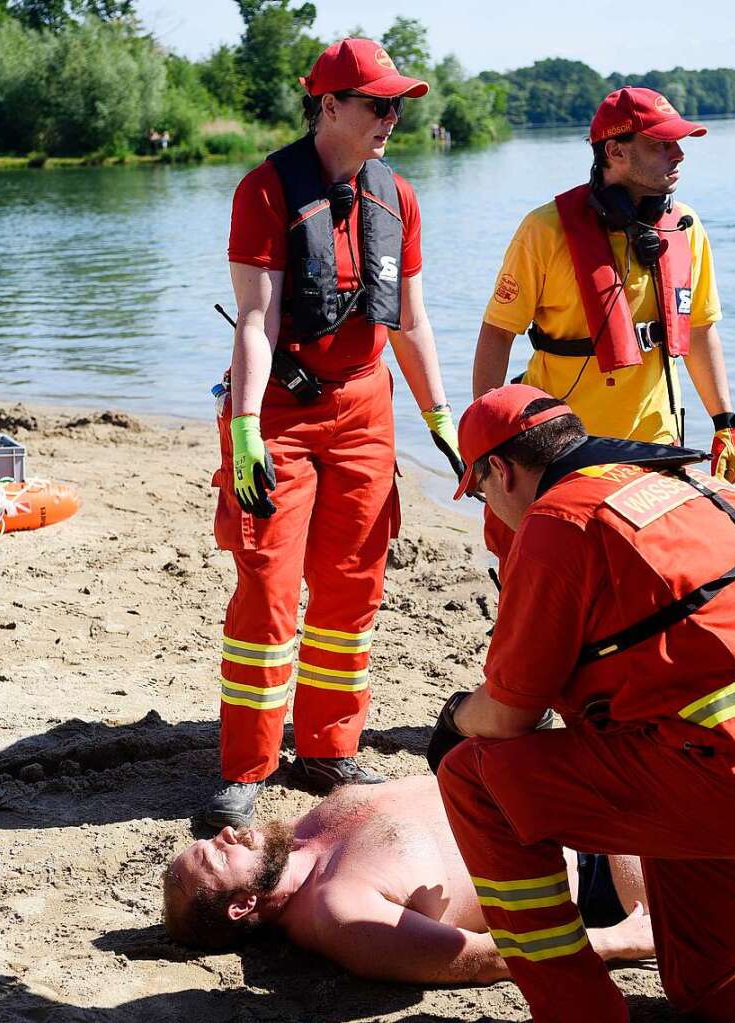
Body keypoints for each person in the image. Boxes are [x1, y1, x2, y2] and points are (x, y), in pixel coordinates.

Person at [429, 383, 735, 1022]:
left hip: (724, 779)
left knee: (475, 778)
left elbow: (506, 715)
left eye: (483, 493)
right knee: (711, 984)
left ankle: (579, 1012)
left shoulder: (560, 520)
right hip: (713, 759)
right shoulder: (703, 485)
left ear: (501, 469)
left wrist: (451, 721)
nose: (491, 512)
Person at [207, 38, 464, 829]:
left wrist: (439, 417)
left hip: (364, 410)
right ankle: (247, 763)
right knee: (270, 587)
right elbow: (255, 319)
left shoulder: (399, 197)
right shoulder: (265, 189)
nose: (391, 117)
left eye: (397, 105)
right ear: (328, 105)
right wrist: (245, 427)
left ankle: (326, 746)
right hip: (280, 413)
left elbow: (412, 320)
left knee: (353, 586)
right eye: (376, 104)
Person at [475, 87, 735, 565]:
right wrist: (485, 444)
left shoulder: (685, 227)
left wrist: (725, 421)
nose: (678, 153)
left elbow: (699, 330)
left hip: (656, 444)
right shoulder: (545, 230)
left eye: (678, 142)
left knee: (650, 580)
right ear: (615, 151)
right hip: (558, 451)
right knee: (550, 586)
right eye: (661, 143)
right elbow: (498, 333)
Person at [164, 776, 653, 983]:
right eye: (216, 855)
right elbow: (480, 959)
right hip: (601, 870)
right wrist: (621, 940)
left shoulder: (298, 835)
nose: (226, 832)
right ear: (241, 905)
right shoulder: (341, 913)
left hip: (583, 796)